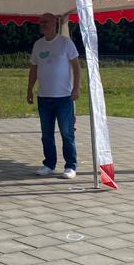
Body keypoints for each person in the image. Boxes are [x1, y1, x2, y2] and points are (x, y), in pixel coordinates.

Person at [27, 12, 81, 179]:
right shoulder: (38, 45)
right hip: (44, 97)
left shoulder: (65, 43)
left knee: (67, 133)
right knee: (46, 134)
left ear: (55, 23)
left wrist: (76, 88)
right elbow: (34, 69)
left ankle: (71, 166)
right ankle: (49, 164)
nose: (42, 24)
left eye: (46, 22)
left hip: (64, 97)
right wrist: (29, 89)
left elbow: (76, 67)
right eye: (40, 22)